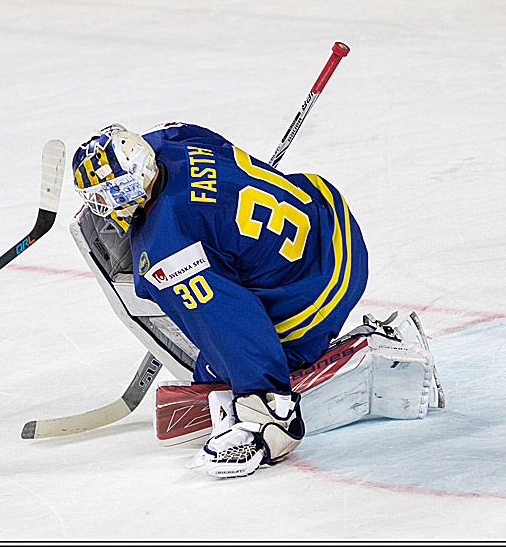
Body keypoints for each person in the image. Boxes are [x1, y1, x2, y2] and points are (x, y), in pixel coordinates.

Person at [71, 121, 370, 478]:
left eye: (107, 195)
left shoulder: (170, 250)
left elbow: (229, 320)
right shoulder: (171, 139)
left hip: (315, 291)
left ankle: (270, 412)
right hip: (326, 217)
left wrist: (259, 394)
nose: (101, 205)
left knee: (215, 364)